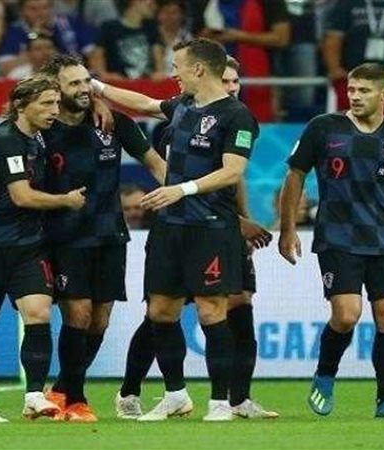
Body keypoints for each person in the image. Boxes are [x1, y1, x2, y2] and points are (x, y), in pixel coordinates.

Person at [92, 38, 259, 421]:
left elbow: (232, 171)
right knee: (161, 311)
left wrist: (181, 189)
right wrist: (96, 86)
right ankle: (175, 395)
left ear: (198, 69)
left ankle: (220, 403)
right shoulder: (183, 105)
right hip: (169, 227)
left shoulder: (237, 116)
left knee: (211, 311)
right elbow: (145, 104)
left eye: (178, 65)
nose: (173, 72)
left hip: (210, 227)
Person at [278, 62, 384, 419]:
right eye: (351, 89)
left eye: (364, 90)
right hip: (337, 236)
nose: (354, 96)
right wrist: (287, 228)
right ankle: (325, 375)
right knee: (347, 315)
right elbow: (295, 176)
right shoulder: (323, 127)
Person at [36, 54, 166, 422]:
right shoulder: (42, 130)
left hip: (110, 233)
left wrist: (185, 193)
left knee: (99, 321)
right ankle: (76, 400)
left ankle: (61, 390)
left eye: (86, 81)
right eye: (74, 83)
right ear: (55, 89)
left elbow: (157, 165)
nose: (84, 89)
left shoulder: (114, 122)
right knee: (77, 313)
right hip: (64, 235)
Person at [0, 75, 87, 423]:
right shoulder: (5, 141)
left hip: (29, 245)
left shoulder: (38, 138)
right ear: (20, 106)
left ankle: (33, 395)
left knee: (39, 312)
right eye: (46, 103)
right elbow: (22, 196)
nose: (54, 110)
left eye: (56, 103)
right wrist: (66, 200)